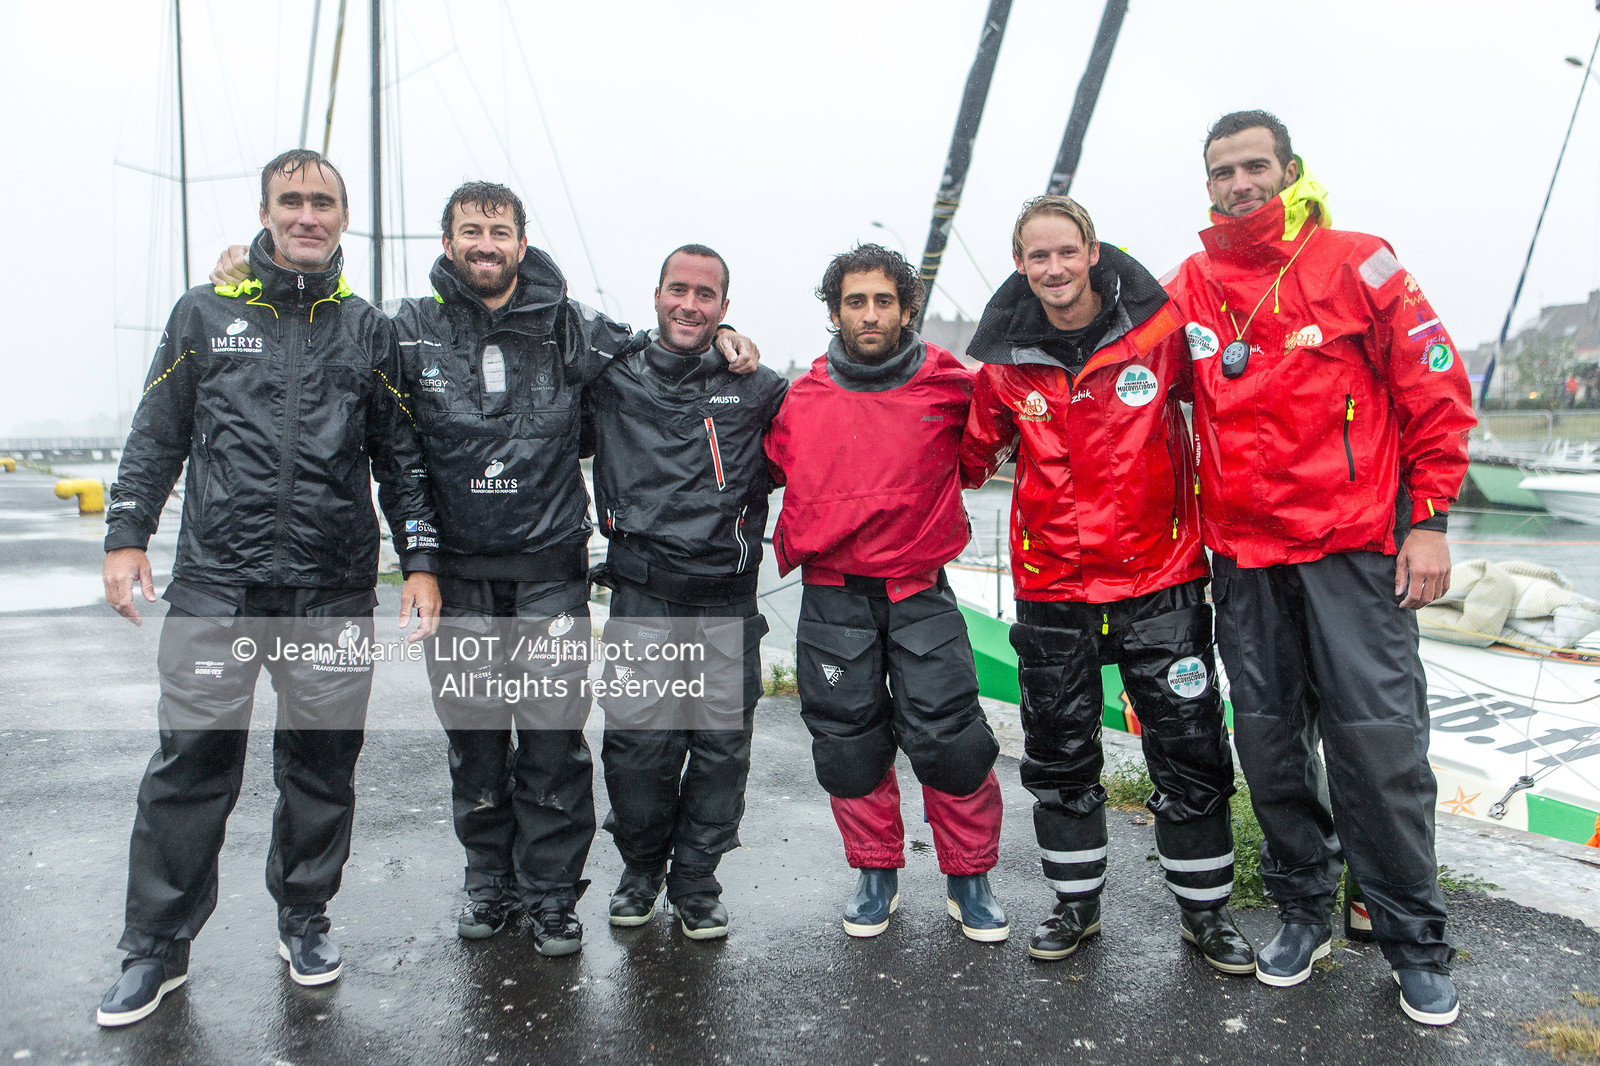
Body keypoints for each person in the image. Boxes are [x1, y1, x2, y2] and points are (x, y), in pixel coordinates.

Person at [210, 182, 759, 957]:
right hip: (457, 578)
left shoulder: (573, 328)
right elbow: (325, 333)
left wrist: (728, 330)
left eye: (499, 231)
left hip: (550, 575)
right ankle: (488, 882)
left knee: (550, 745)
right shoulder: (405, 329)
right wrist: (250, 270)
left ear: (522, 242)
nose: (486, 244)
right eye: (471, 231)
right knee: (474, 744)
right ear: (448, 244)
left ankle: (549, 895)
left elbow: (668, 345)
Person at [97, 149, 442, 1027]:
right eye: (291, 200)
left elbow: (401, 462)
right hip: (217, 584)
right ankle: (155, 950)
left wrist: (422, 560)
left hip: (331, 586)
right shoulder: (205, 313)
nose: (307, 215)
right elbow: (156, 433)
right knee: (191, 767)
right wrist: (126, 535)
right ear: (265, 209)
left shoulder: (369, 331)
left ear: (342, 216)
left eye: (322, 202)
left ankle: (305, 914)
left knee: (323, 767)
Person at [1159, 110, 1475, 1024]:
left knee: (1378, 751)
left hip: (1352, 552)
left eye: (1255, 166)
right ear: (1208, 184)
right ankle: (1304, 910)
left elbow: (1437, 392)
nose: (1240, 183)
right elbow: (1113, 364)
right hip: (1247, 562)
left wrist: (1429, 521)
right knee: (1269, 747)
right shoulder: (1192, 284)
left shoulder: (1359, 262)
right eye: (1223, 171)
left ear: (1289, 170)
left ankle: (1414, 937)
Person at [959, 196, 1253, 972]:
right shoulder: (1000, 363)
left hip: (1162, 578)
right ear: (1020, 264)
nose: (1053, 269)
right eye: (1036, 257)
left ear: (1092, 251)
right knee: (1058, 752)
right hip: (1052, 587)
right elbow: (962, 455)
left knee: (1188, 748)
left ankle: (1205, 915)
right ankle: (1074, 904)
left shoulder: (1161, 337)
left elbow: (1240, 402)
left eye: (1066, 252)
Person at [765, 244, 1007, 942]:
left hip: (919, 591)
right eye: (854, 301)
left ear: (906, 309)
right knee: (848, 745)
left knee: (953, 741)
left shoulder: (950, 385)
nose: (869, 314)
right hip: (834, 596)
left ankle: (970, 878)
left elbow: (985, 453)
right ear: (834, 311)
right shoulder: (801, 396)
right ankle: (876, 872)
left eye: (882, 301)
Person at [585, 244, 788, 939]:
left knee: (721, 751)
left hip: (725, 601)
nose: (690, 305)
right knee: (639, 751)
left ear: (725, 309)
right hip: (642, 598)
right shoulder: (612, 378)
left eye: (706, 296)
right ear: (656, 295)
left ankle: (697, 878)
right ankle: (641, 868)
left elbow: (823, 450)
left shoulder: (758, 388)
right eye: (679, 289)